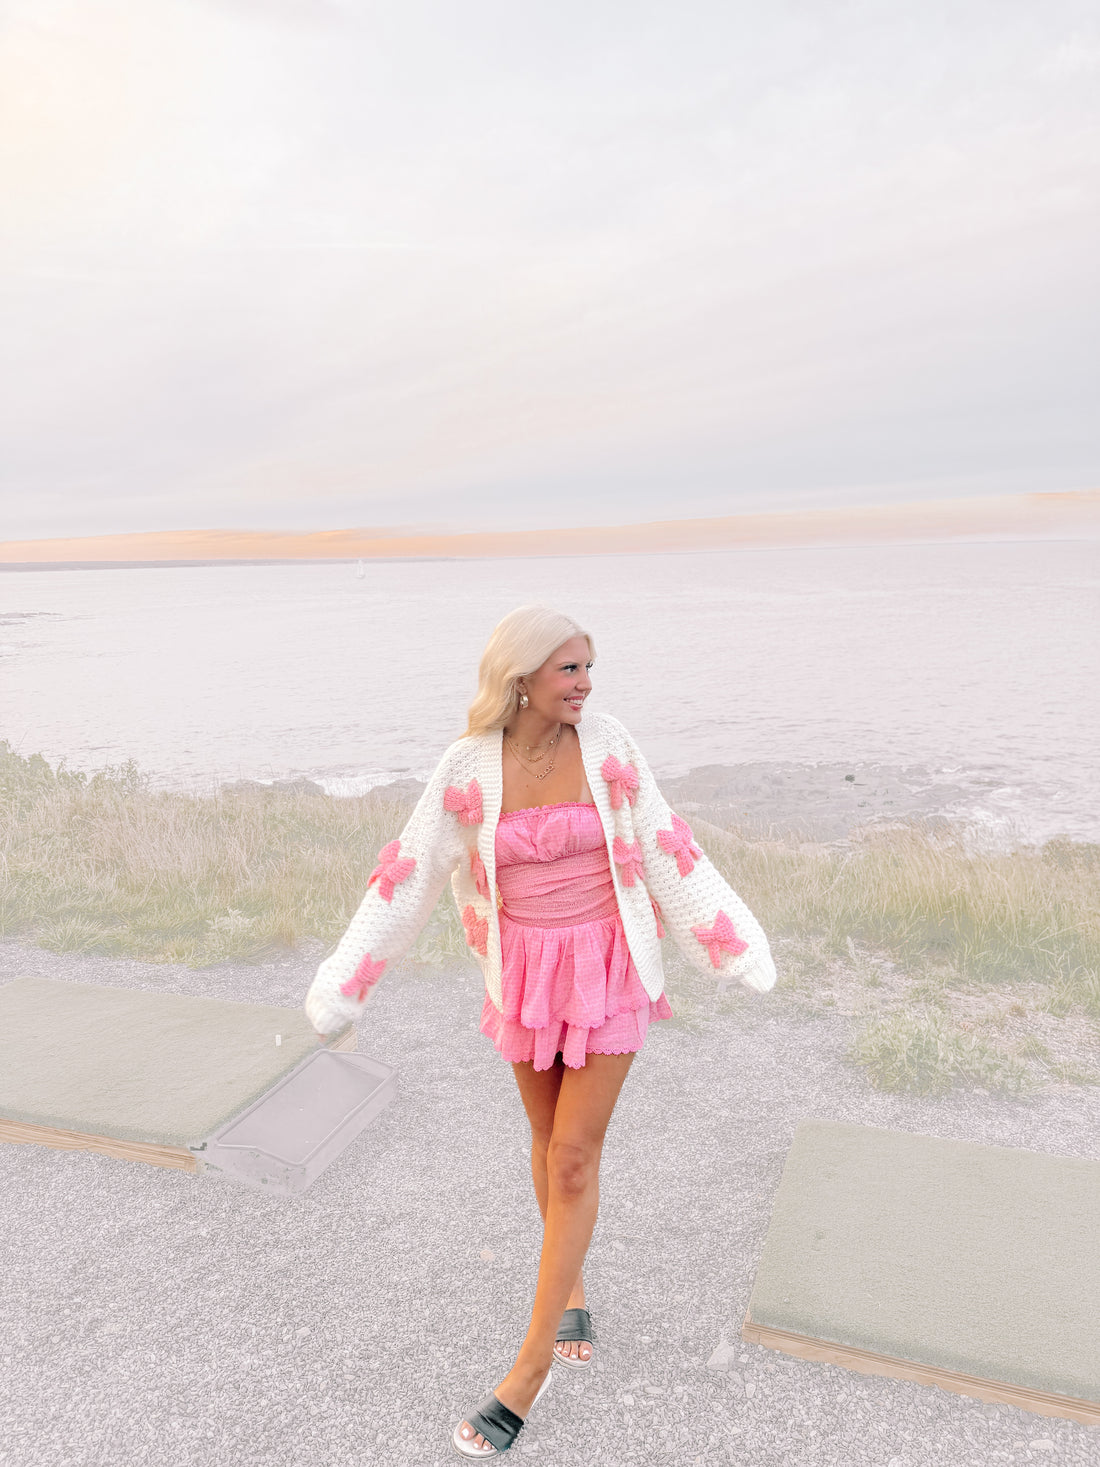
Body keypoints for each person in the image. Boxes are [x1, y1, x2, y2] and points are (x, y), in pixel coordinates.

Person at [303, 603, 777, 1458]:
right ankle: (573, 1288)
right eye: (570, 669)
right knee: (544, 1134)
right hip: (523, 976)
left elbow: (670, 847)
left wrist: (733, 944)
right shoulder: (468, 766)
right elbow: (407, 875)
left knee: (572, 1155)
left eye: (590, 668)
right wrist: (346, 982)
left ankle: (525, 1373)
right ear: (520, 675)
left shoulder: (610, 747)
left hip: (610, 968)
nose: (586, 684)